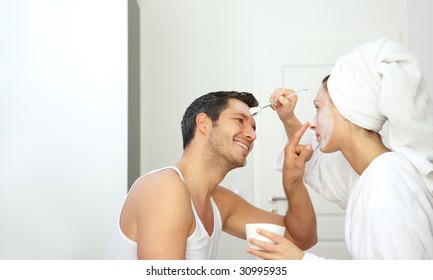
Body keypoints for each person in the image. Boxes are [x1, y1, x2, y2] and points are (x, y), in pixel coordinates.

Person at [247, 38, 433, 260]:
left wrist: (301, 262)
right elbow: (316, 164)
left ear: (348, 108)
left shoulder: (388, 180)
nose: (313, 122)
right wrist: (288, 118)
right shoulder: (371, 172)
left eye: (318, 108)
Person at [106, 91, 317, 259]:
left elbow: (301, 238)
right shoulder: (163, 188)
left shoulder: (219, 201)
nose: (252, 134)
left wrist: (293, 180)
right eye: (239, 120)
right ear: (204, 124)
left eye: (253, 127)